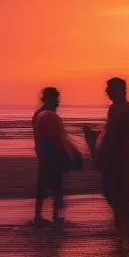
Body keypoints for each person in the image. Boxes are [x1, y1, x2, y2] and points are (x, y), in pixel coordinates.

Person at [86, 77, 129, 237]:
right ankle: (121, 225)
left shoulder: (124, 109)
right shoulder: (117, 108)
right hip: (117, 157)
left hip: (120, 158)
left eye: (110, 88)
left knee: (114, 192)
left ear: (120, 90)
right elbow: (111, 133)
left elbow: (123, 136)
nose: (106, 91)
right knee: (118, 193)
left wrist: (99, 147)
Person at [33, 87, 82, 225]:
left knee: (54, 185)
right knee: (46, 186)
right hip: (49, 155)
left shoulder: (44, 114)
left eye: (57, 99)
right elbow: (55, 137)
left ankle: (51, 215)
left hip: (49, 155)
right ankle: (41, 216)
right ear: (46, 100)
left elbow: (59, 136)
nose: (57, 102)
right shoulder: (45, 115)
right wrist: (67, 153)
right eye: (55, 99)